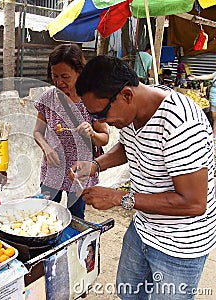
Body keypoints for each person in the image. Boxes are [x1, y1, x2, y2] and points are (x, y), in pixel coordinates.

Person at [71, 55, 216, 299]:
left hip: (180, 245)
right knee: (129, 293)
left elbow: (193, 203)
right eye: (95, 117)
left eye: (103, 114)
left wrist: (119, 198)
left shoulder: (181, 123)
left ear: (127, 95)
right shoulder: (133, 110)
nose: (103, 122)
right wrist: (95, 165)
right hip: (144, 228)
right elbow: (129, 146)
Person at [33, 44, 109, 219]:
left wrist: (91, 133)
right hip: (53, 169)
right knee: (46, 215)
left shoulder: (91, 98)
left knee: (75, 218)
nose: (59, 82)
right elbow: (37, 132)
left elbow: (104, 138)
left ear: (79, 72)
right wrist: (46, 148)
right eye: (55, 76)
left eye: (65, 76)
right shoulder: (48, 98)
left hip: (80, 173)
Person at [189, 71, 216, 139]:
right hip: (213, 97)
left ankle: (214, 134)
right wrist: (196, 77)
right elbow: (208, 76)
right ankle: (213, 134)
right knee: (214, 116)